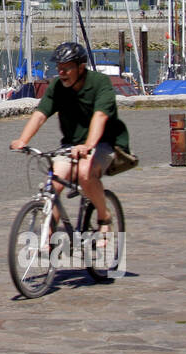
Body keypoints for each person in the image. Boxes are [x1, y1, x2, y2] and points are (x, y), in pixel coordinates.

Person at [10, 41, 129, 244]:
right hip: (71, 146)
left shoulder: (100, 83)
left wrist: (88, 145)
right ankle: (48, 232)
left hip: (105, 143)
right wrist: (23, 140)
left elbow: (99, 117)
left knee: (85, 172)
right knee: (53, 183)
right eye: (59, 68)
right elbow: (40, 114)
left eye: (66, 68)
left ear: (81, 67)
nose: (62, 72)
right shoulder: (57, 87)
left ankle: (104, 217)